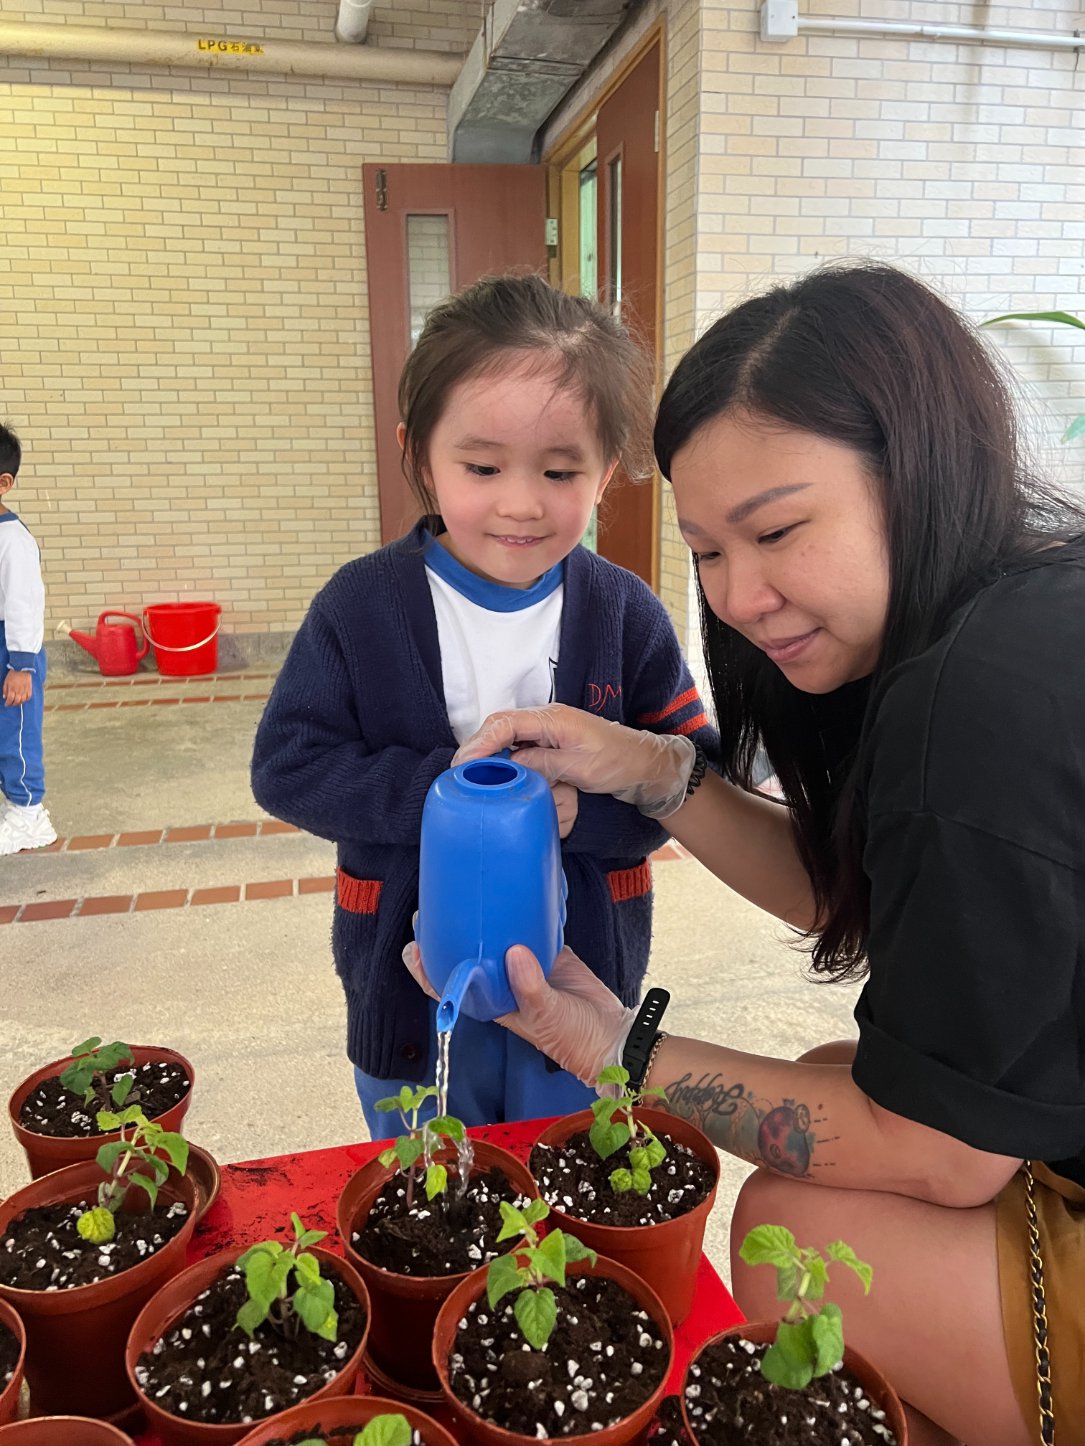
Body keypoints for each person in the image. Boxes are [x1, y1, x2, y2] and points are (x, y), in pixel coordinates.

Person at [430, 262, 1085, 1446]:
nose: (738, 597)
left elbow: (942, 1157)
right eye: (705, 552)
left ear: (916, 467)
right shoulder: (1017, 608)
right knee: (839, 1072)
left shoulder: (980, 701)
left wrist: (607, 1047)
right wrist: (655, 771)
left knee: (797, 1233)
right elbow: (863, 897)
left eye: (776, 531)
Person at [251, 274, 716, 1138]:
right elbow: (288, 767)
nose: (520, 502)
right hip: (411, 977)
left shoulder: (625, 615)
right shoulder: (361, 607)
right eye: (481, 467)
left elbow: (694, 780)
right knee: (427, 1182)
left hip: (581, 975)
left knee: (566, 1165)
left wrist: (586, 814)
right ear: (418, 454)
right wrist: (445, 794)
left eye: (559, 470)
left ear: (605, 471)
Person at [0, 423, 57, 856]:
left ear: (4, 483)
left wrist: (21, 666)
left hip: (12, 652)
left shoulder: (13, 540)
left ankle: (29, 815)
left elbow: (24, 604)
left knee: (15, 733)